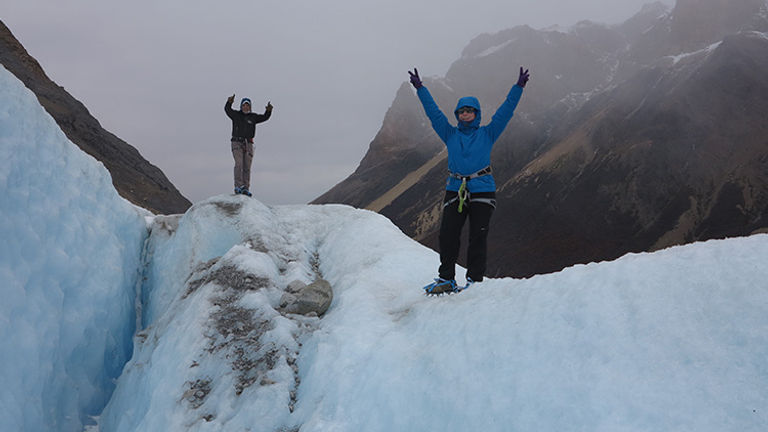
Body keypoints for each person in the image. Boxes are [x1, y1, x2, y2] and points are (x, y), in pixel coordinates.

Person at [409, 66, 530, 295]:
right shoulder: (449, 133)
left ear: (476, 114)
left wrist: (518, 88)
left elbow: (505, 112)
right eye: (461, 111)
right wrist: (420, 88)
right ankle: (447, 279)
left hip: (483, 189)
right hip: (455, 188)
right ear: (457, 114)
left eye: (469, 110)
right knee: (448, 235)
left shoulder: (488, 133)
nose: (465, 114)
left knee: (478, 235)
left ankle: (474, 281)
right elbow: (433, 113)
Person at [225, 95, 273, 196]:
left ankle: (245, 188)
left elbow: (265, 117)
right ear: (241, 106)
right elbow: (227, 110)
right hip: (237, 143)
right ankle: (238, 186)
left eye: (248, 105)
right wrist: (229, 102)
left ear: (250, 107)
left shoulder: (253, 117)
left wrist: (268, 111)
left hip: (249, 144)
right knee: (239, 164)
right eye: (244, 105)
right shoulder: (236, 115)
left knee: (247, 167)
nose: (246, 107)